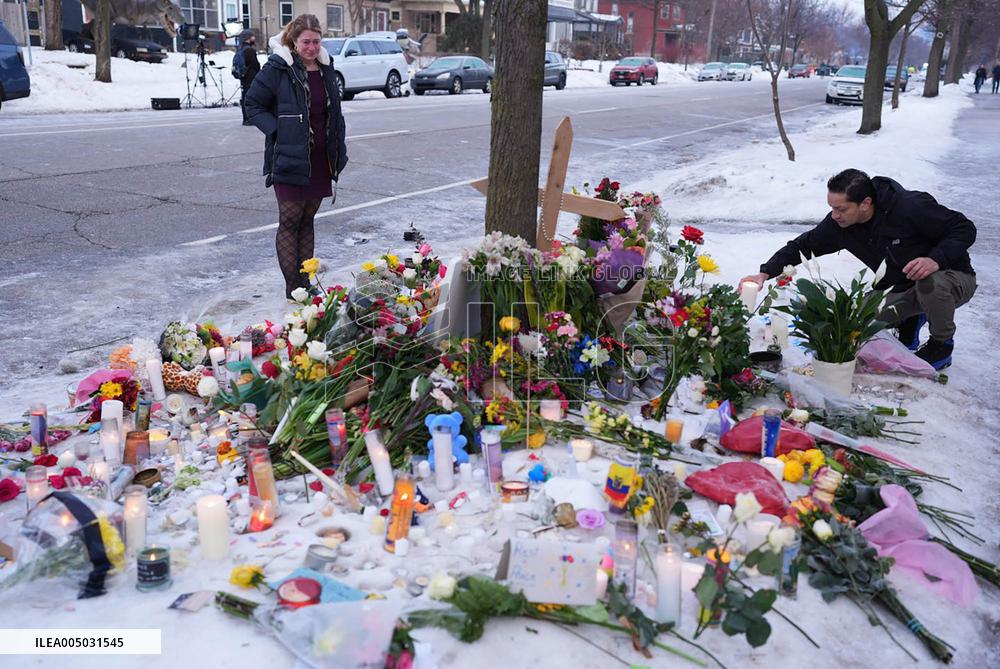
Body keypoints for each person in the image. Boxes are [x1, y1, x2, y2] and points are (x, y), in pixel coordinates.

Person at [740, 169, 976, 370]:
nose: (835, 215)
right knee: (853, 327)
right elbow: (803, 245)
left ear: (865, 204)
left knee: (931, 284)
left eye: (842, 209)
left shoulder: (910, 206)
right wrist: (764, 273)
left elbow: (964, 228)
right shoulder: (839, 224)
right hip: (900, 287)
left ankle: (941, 346)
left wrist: (935, 259)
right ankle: (912, 318)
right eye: (832, 208)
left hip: (952, 277)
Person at [244, 14, 348, 300]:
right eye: (306, 42)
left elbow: (332, 111)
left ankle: (305, 281)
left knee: (308, 220)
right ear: (294, 40)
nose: (312, 48)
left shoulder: (326, 68)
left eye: (316, 42)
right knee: (290, 220)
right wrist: (278, 130)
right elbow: (252, 104)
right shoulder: (279, 68)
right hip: (288, 156)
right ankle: (293, 288)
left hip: (320, 158)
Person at [239, 31, 261, 125]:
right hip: (250, 77)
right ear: (248, 38)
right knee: (250, 98)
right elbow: (255, 64)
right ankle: (249, 118)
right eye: (252, 37)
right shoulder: (250, 50)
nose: (254, 39)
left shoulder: (241, 49)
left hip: (244, 77)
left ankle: (246, 118)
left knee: (245, 97)